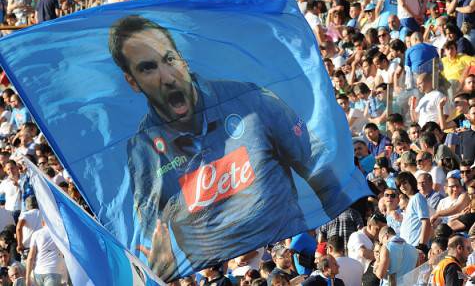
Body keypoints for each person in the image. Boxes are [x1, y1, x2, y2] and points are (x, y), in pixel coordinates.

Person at [108, 15, 346, 280]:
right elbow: (151, 236)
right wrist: (160, 269)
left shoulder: (250, 100)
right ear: (132, 82)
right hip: (215, 275)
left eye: (169, 59)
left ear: (182, 59)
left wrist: (342, 235)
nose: (167, 77)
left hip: (281, 263)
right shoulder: (144, 149)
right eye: (148, 68)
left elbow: (319, 167)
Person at [396, 172, 431, 249]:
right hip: (409, 247)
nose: (402, 187)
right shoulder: (412, 200)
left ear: (411, 182)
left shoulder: (417, 198)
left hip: (417, 247)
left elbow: (426, 222)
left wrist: (422, 246)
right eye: (399, 185)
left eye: (405, 183)